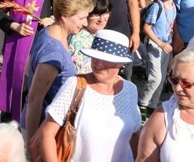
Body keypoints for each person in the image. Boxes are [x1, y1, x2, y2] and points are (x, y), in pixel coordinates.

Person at [38, 29, 142, 162]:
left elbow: (134, 134)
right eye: (95, 57)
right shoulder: (74, 85)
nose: (98, 64)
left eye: (105, 59)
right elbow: (47, 132)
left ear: (120, 63)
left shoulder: (130, 90)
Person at [22, 0, 93, 144]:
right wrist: (32, 143)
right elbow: (35, 99)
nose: (85, 23)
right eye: (81, 18)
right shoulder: (54, 53)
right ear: (65, 16)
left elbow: (28, 69)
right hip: (42, 129)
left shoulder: (48, 32)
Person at [138, 0, 178, 118]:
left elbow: (169, 29)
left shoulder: (174, 8)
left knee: (161, 79)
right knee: (155, 77)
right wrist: (160, 43)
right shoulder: (157, 6)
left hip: (166, 45)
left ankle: (152, 105)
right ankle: (143, 102)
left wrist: (169, 48)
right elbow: (146, 28)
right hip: (156, 43)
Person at [68, 0, 111, 74]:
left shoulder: (98, 36)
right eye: (96, 14)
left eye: (105, 13)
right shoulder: (79, 41)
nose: (101, 19)